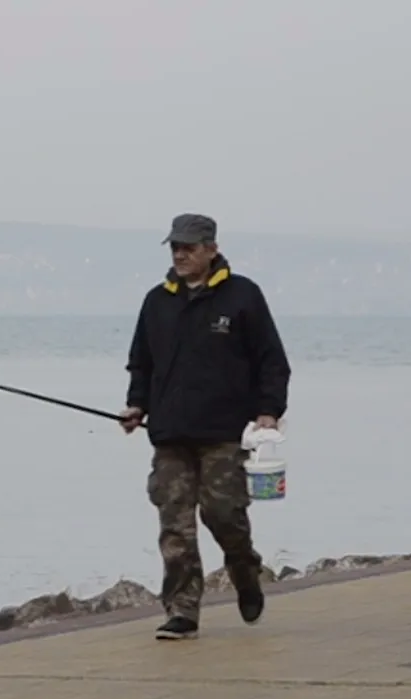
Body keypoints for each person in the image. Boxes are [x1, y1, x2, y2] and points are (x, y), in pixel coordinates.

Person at [120, 212, 292, 641]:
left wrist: (268, 411)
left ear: (211, 250)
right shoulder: (156, 301)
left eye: (188, 248)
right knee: (175, 527)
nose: (180, 254)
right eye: (175, 247)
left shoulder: (242, 296)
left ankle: (244, 569)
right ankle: (182, 611)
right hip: (170, 435)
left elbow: (272, 360)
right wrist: (136, 405)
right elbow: (141, 361)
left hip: (224, 433)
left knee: (223, 516)